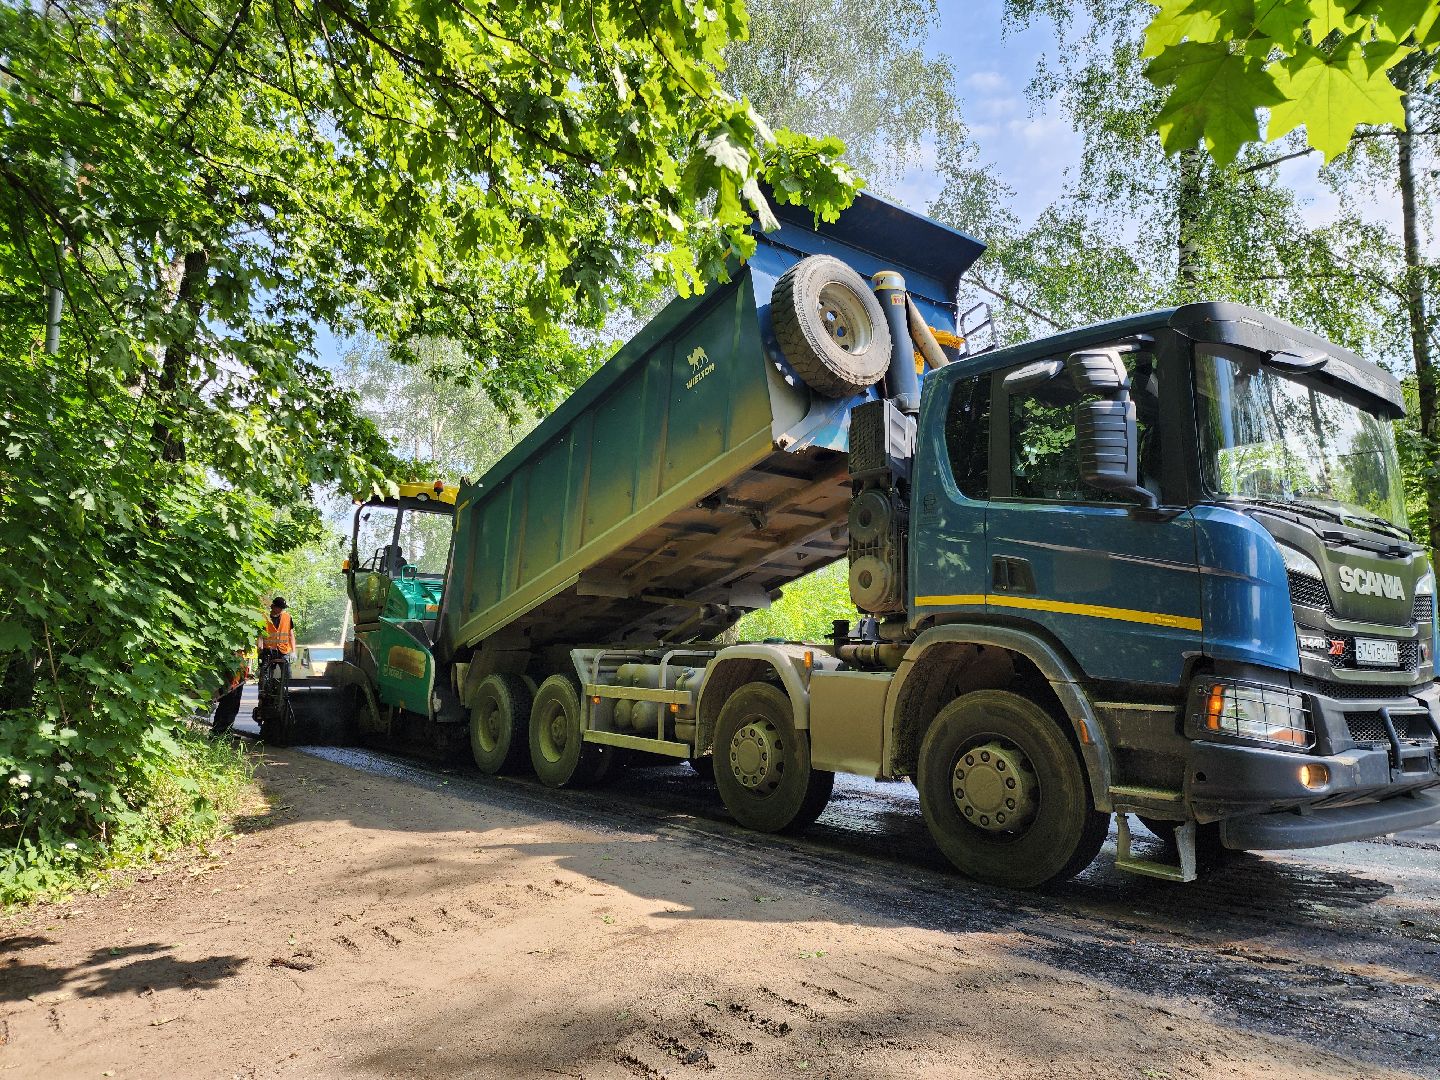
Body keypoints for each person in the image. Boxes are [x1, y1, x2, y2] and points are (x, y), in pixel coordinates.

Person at [210, 651, 251, 736]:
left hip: (237, 677)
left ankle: (222, 731)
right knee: (228, 705)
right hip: (232, 679)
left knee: (230, 706)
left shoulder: (238, 654)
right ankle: (220, 732)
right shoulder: (231, 654)